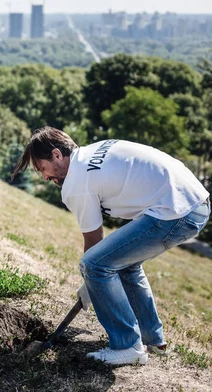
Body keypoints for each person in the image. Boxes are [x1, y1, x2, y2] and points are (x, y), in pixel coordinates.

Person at [13, 126, 210, 366]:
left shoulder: (76, 182)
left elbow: (94, 241)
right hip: (194, 201)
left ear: (56, 155)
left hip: (176, 210)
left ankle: (128, 346)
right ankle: (153, 340)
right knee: (123, 264)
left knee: (95, 264)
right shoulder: (91, 153)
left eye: (42, 168)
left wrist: (91, 280)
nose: (45, 177)